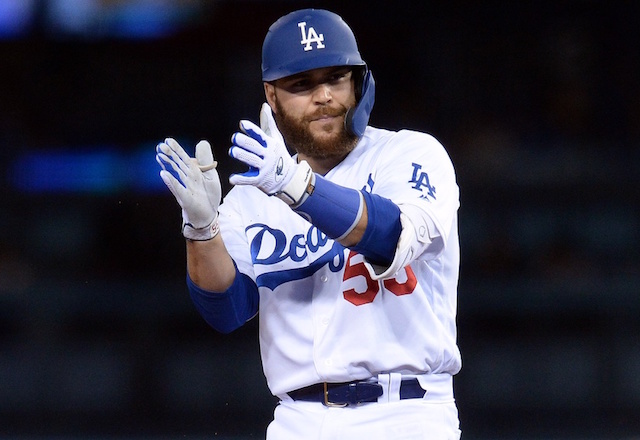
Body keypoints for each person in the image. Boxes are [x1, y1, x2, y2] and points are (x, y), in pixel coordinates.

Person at [156, 8, 462, 440]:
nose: (323, 96)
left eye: (336, 77)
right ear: (271, 95)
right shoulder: (250, 196)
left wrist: (295, 186)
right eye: (301, 84)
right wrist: (202, 231)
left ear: (359, 81)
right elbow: (227, 310)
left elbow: (393, 237)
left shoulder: (411, 154)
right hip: (297, 420)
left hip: (406, 413)